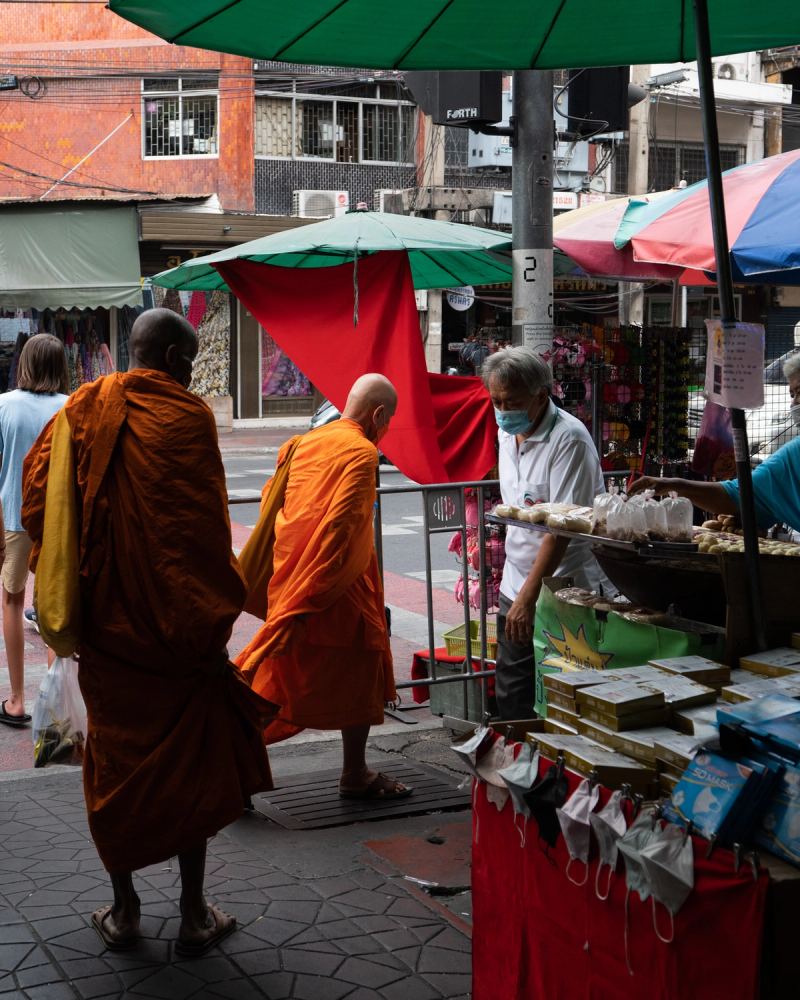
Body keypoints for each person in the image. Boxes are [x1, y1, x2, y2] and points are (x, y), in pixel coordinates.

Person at [22, 308, 274, 955]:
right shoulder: (189, 421)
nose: (190, 379)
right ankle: (193, 914)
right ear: (169, 361)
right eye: (188, 366)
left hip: (109, 634)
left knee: (112, 765)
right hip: (181, 635)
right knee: (187, 766)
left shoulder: (81, 410)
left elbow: (34, 503)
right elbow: (205, 531)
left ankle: (125, 909)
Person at [236, 373, 412, 800]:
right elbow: (340, 528)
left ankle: (243, 773)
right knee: (353, 669)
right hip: (331, 586)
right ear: (378, 415)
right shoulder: (361, 452)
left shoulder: (304, 443)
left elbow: (275, 508)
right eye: (388, 421)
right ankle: (349, 771)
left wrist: (295, 587)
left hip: (294, 577)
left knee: (285, 675)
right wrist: (314, 588)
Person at [482, 346, 607, 721]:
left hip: (565, 585)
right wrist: (517, 595)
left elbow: (561, 529)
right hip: (516, 579)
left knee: (565, 686)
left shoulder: (569, 439)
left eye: (511, 402)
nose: (503, 411)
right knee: (513, 686)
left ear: (541, 396)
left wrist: (528, 598)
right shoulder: (507, 434)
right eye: (496, 401)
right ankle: (516, 766)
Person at [631, 354, 800, 533]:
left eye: (799, 392)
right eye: (792, 394)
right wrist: (672, 484)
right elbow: (735, 494)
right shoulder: (793, 455)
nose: (794, 403)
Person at [0, 334, 68, 728]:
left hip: (13, 518)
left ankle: (17, 700)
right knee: (50, 608)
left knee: (12, 601)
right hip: (56, 522)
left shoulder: (4, 406)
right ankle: (58, 709)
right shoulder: (72, 407)